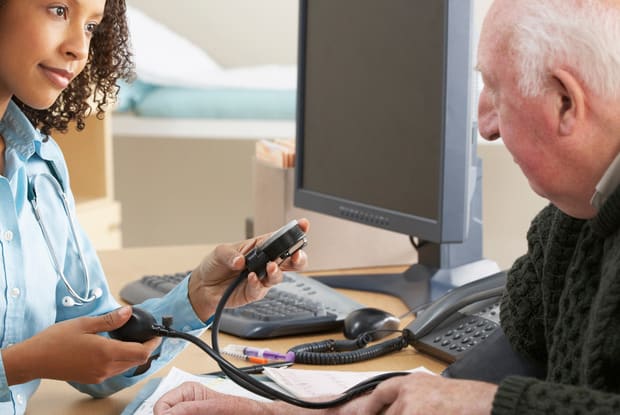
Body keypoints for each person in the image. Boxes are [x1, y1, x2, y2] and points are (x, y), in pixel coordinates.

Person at [152, 0, 620, 414]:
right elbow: (504, 361)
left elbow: (484, 397)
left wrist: (492, 406)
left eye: (495, 91)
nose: (484, 125)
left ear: (565, 102)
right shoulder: (570, 222)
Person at [0, 1, 308, 414]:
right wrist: (22, 365)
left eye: (92, 26)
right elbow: (42, 358)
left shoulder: (40, 166)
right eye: (58, 10)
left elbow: (98, 350)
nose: (79, 47)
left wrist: (197, 298)